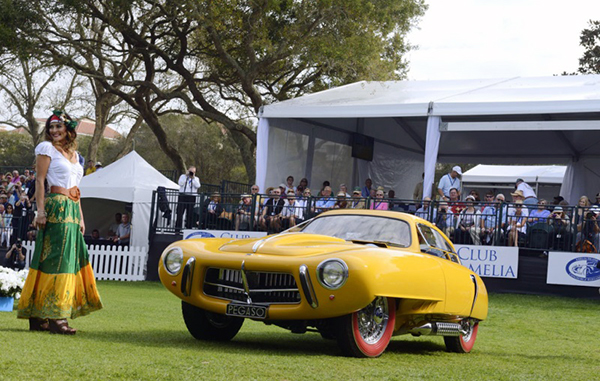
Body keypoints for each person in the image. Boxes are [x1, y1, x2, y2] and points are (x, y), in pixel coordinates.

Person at [17, 110, 103, 334]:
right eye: (51, 127)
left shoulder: (76, 156)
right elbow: (40, 180)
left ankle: (39, 316)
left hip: (73, 209)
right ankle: (56, 316)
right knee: (57, 261)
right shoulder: (47, 149)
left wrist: (81, 217)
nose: (54, 131)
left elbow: (77, 190)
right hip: (56, 207)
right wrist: (40, 211)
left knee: (65, 260)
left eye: (59, 127)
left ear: (68, 130)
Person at [175, 166, 201, 230]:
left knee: (190, 213)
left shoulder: (196, 179)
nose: (191, 173)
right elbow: (180, 183)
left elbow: (198, 186)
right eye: (190, 171)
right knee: (180, 212)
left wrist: (193, 178)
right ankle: (178, 228)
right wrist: (186, 177)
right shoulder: (182, 176)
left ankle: (188, 227)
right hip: (183, 196)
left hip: (191, 197)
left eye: (193, 172)